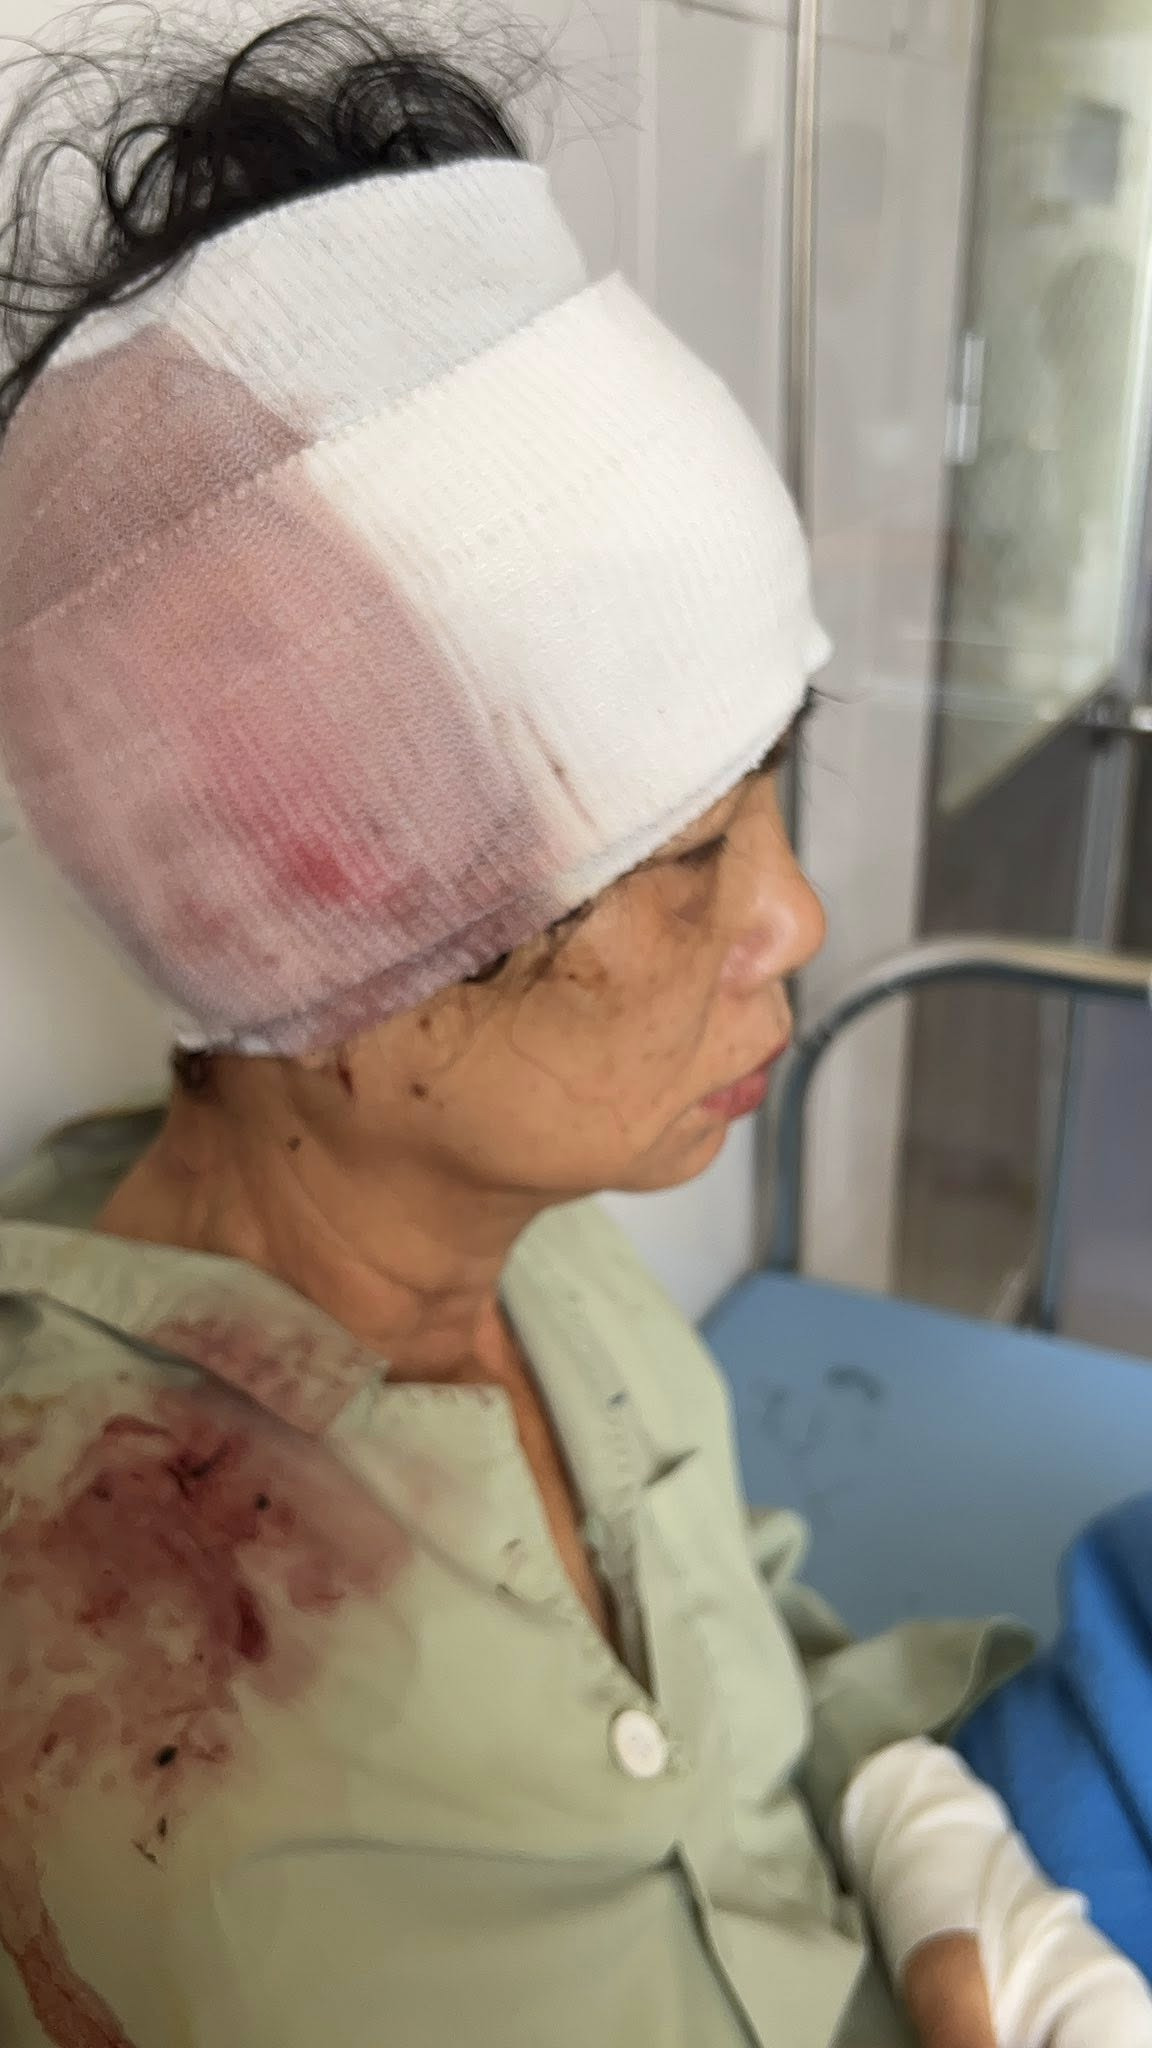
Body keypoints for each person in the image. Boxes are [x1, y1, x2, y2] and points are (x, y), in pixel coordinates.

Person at [0, 11, 1147, 2048]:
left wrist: (923, 1824)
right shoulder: (116, 1694)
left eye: (776, 782)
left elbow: (737, 1657)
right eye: (686, 852)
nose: (797, 917)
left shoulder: (553, 1271)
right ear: (314, 915)